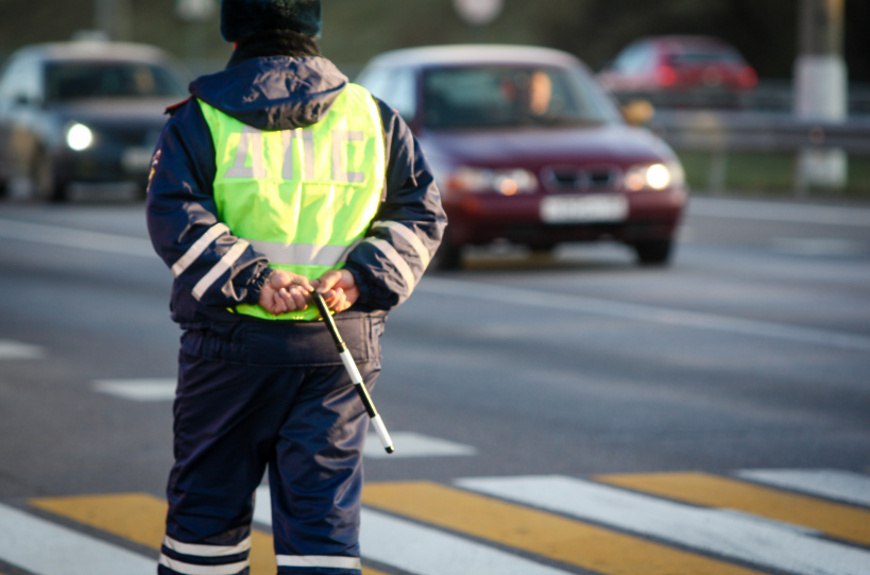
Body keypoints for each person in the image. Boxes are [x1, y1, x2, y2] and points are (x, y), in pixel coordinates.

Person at [145, 1, 446, 573]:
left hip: (231, 351)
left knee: (207, 522)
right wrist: (358, 279)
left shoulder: (199, 117)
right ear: (313, 30)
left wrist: (255, 280)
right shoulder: (372, 115)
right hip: (337, 352)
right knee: (322, 533)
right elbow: (421, 216)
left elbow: (175, 215)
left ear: (233, 35)